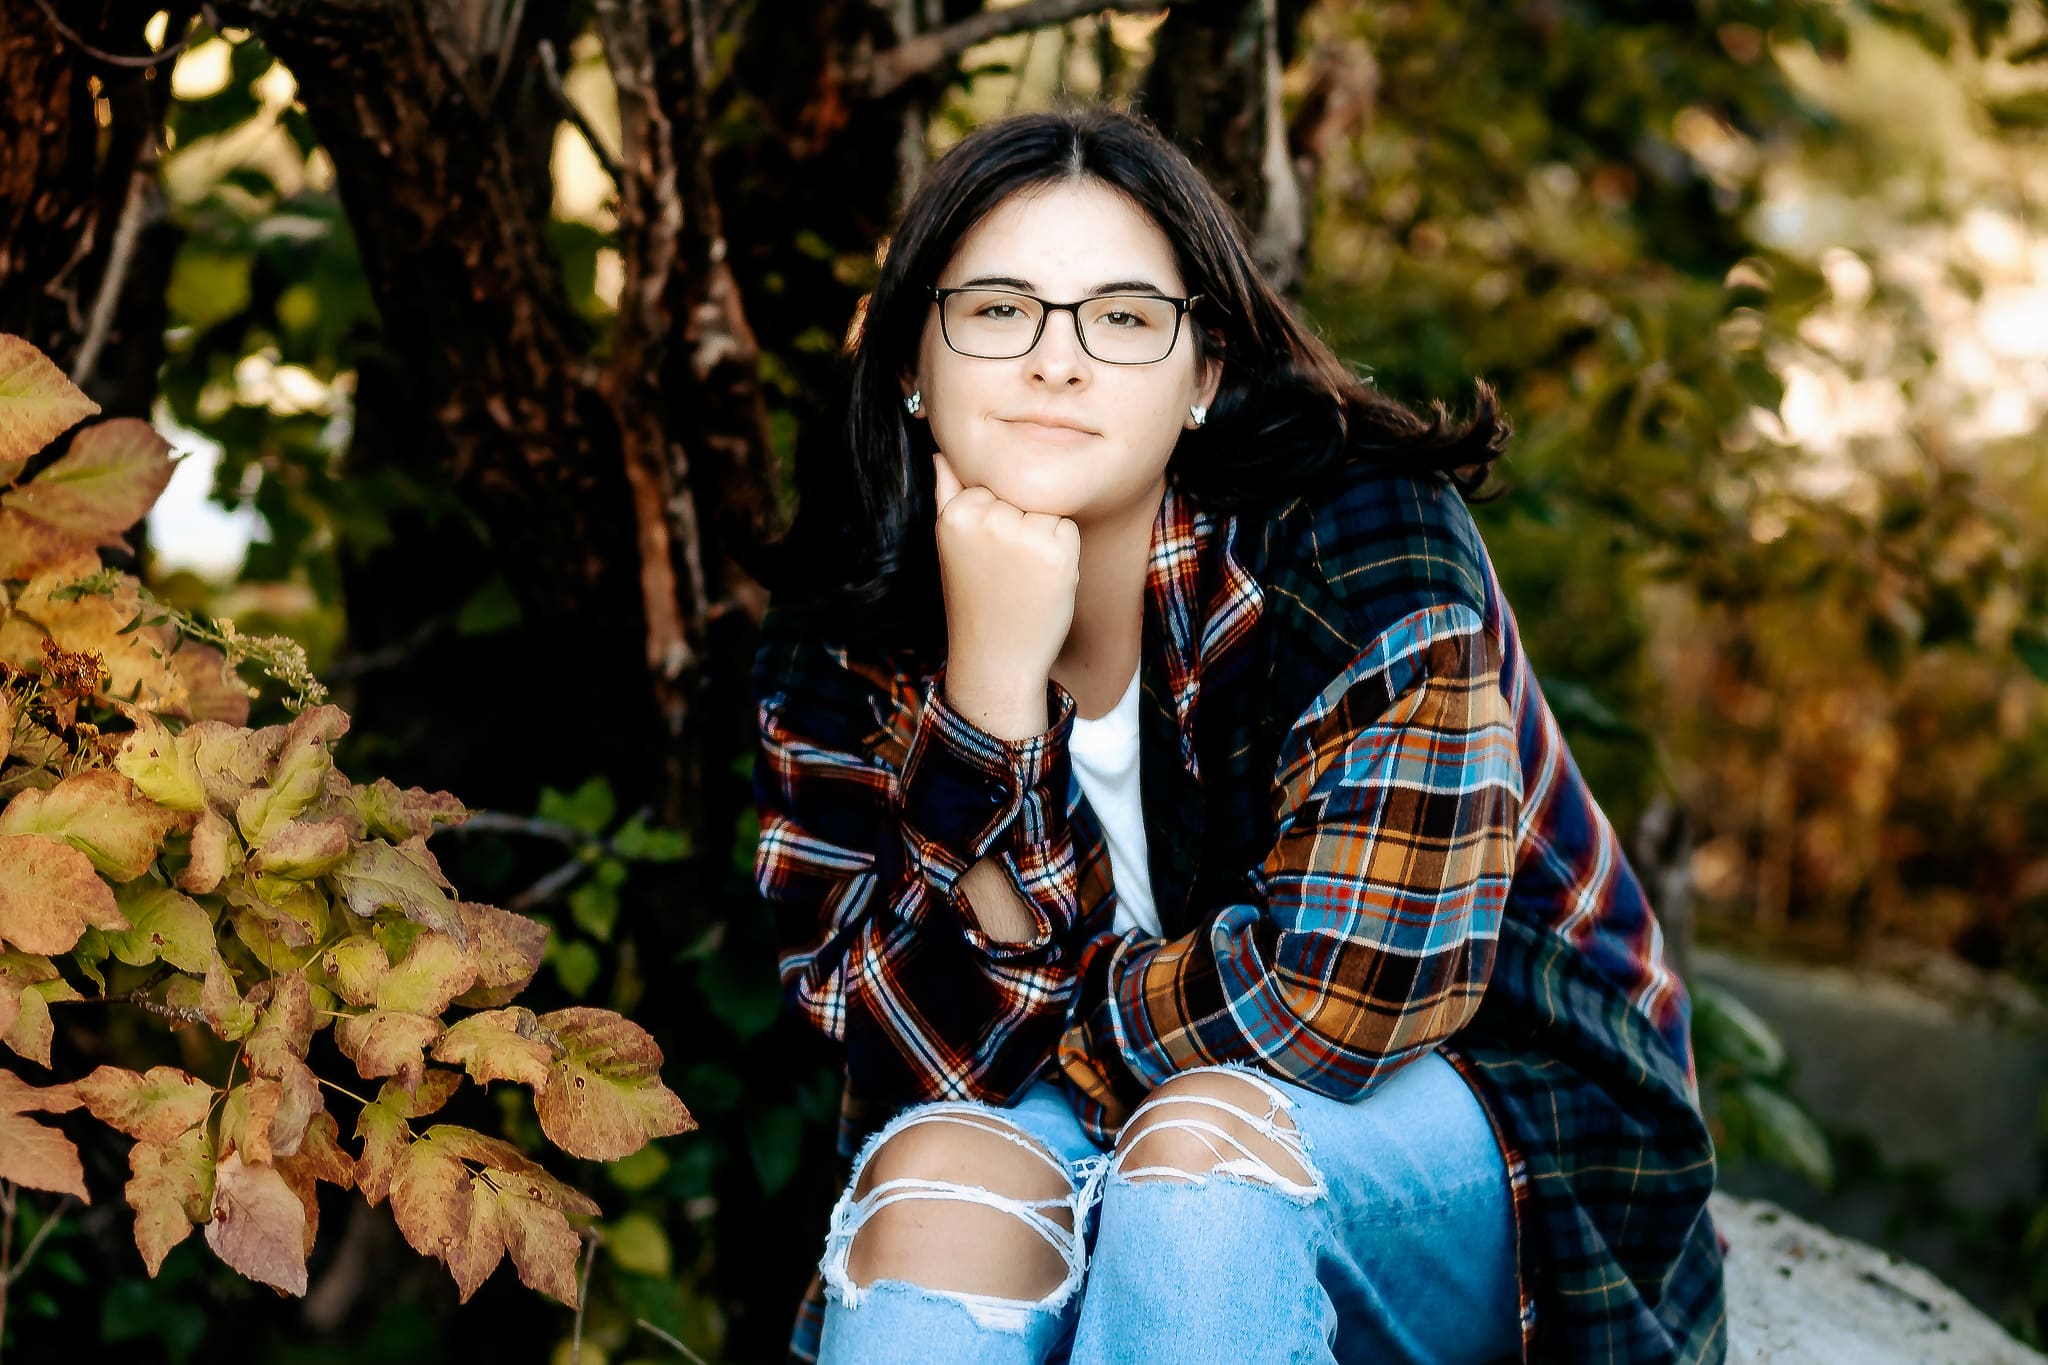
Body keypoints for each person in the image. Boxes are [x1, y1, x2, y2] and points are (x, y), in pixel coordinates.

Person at [743, 104, 1727, 1365]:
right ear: (907, 364)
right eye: (996, 309)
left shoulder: (1362, 546)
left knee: (1198, 1166)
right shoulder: (842, 631)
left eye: (1122, 316)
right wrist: (989, 696)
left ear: (1201, 374)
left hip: (1488, 1137)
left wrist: (1044, 1008)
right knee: (932, 1202)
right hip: (1127, 1097)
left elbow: (1338, 1003)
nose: (1057, 361)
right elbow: (906, 1062)